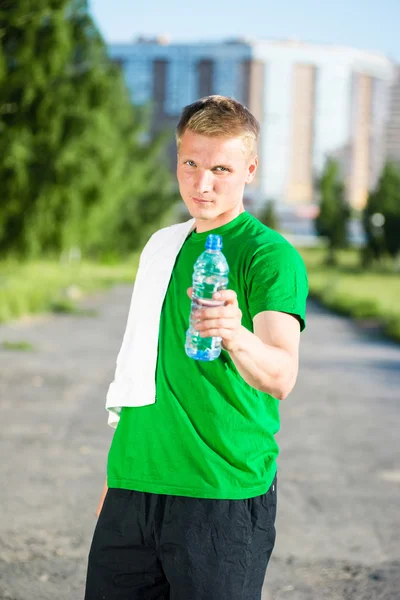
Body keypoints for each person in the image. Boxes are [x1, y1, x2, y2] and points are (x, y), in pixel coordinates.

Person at [84, 95, 308, 600]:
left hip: (219, 492)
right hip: (134, 484)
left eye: (221, 169)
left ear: (250, 168)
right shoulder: (162, 244)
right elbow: (140, 366)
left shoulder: (269, 256)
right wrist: (116, 476)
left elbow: (280, 375)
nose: (202, 183)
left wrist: (234, 332)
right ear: (177, 158)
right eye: (191, 163)